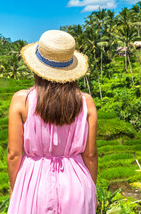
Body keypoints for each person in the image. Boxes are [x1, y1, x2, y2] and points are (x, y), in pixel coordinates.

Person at [7, 30, 98, 214]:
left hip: (33, 184)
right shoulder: (86, 102)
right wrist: (91, 190)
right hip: (76, 185)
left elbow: (13, 154)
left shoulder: (21, 100)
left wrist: (14, 190)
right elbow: (90, 155)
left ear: (37, 67)